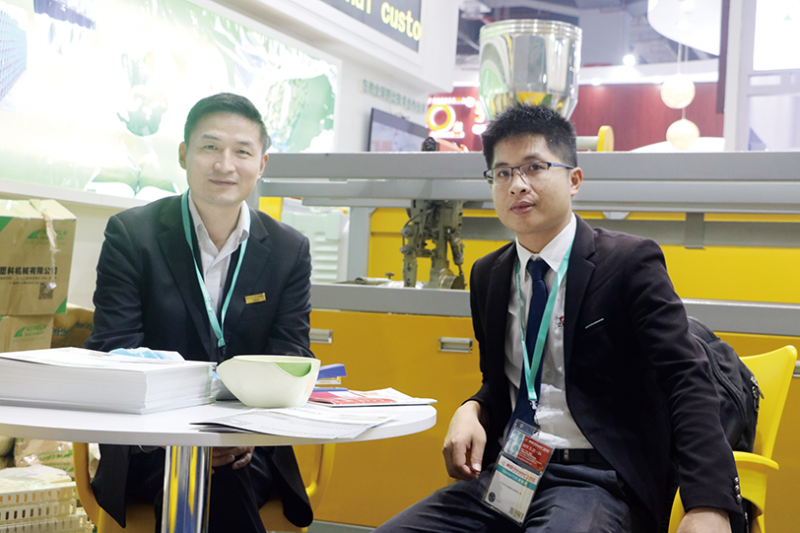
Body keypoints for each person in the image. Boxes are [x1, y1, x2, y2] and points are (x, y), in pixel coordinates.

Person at [375, 104, 743, 533]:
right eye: (503, 172)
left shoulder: (627, 263)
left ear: (574, 180)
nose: (518, 184)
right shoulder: (488, 275)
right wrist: (471, 408)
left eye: (534, 167)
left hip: (598, 478)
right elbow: (502, 384)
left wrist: (708, 504)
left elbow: (686, 379)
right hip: (511, 473)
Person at [86, 93, 314, 533]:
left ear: (261, 164)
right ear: (183, 154)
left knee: (222, 471)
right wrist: (184, 439)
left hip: (249, 444)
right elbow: (114, 350)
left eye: (242, 151)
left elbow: (291, 357)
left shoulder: (289, 250)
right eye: (210, 147)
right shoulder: (132, 235)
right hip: (149, 444)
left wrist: (239, 436)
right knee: (201, 474)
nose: (225, 164)